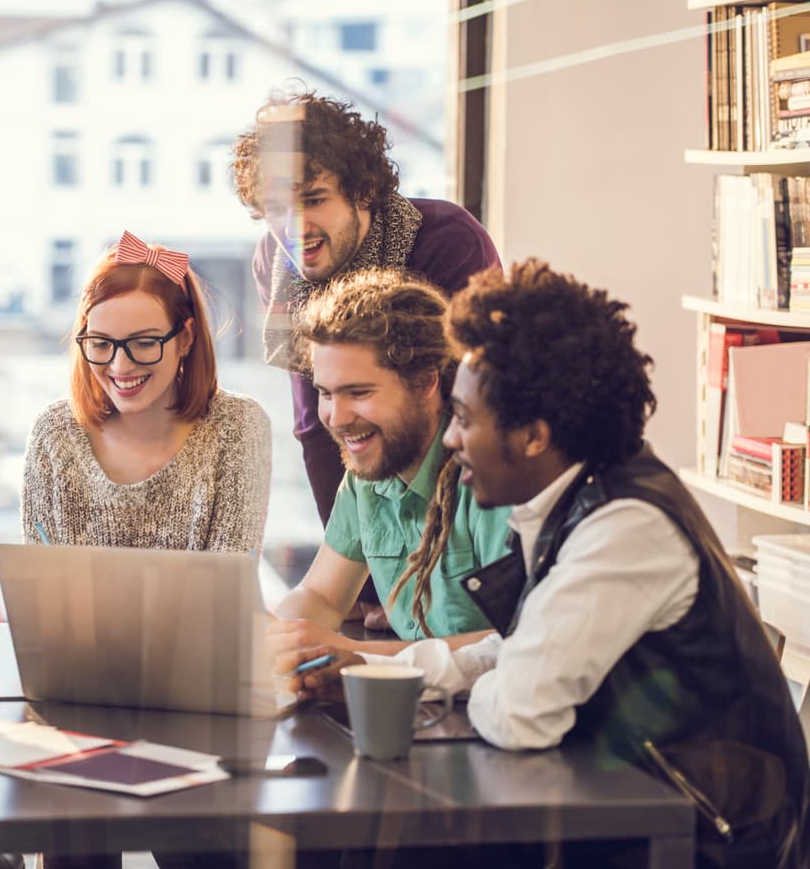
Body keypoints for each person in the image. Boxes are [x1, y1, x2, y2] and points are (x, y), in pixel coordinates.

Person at [299, 259, 810, 867]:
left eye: (465, 419)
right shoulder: (577, 499)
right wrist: (379, 667)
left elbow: (519, 712)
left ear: (534, 435)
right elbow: (517, 648)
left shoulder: (624, 526)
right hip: (638, 804)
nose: (452, 440)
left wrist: (498, 673)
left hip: (707, 839)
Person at [233, 90, 500, 627]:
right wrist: (366, 585)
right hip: (380, 493)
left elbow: (473, 405)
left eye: (314, 199)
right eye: (277, 209)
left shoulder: (446, 242)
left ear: (365, 190)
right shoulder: (275, 265)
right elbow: (315, 424)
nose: (295, 229)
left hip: (470, 498)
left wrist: (412, 584)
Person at [269, 268, 511, 686]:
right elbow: (321, 596)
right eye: (325, 393)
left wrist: (359, 656)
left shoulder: (489, 474)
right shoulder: (366, 474)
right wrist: (275, 641)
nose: (336, 418)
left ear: (425, 381)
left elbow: (515, 642)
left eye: (359, 392)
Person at [21, 231, 271, 554]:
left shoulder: (238, 427)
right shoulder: (54, 433)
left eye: (144, 343)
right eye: (101, 343)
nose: (120, 366)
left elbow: (228, 580)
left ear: (185, 338)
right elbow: (40, 580)